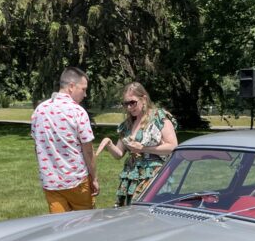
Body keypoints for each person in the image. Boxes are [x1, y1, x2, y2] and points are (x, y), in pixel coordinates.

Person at [97, 81, 178, 206]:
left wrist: (144, 148)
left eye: (132, 102)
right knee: (130, 213)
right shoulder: (127, 125)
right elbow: (119, 154)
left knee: (147, 213)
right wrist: (109, 143)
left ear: (143, 99)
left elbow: (172, 146)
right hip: (131, 175)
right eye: (126, 104)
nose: (129, 107)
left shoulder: (158, 117)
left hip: (153, 175)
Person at [30, 67, 98, 213]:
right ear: (71, 87)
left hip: (51, 183)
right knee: (84, 225)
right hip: (77, 182)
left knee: (60, 228)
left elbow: (37, 147)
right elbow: (88, 150)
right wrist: (94, 178)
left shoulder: (39, 110)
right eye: (84, 89)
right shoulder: (78, 112)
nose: (85, 94)